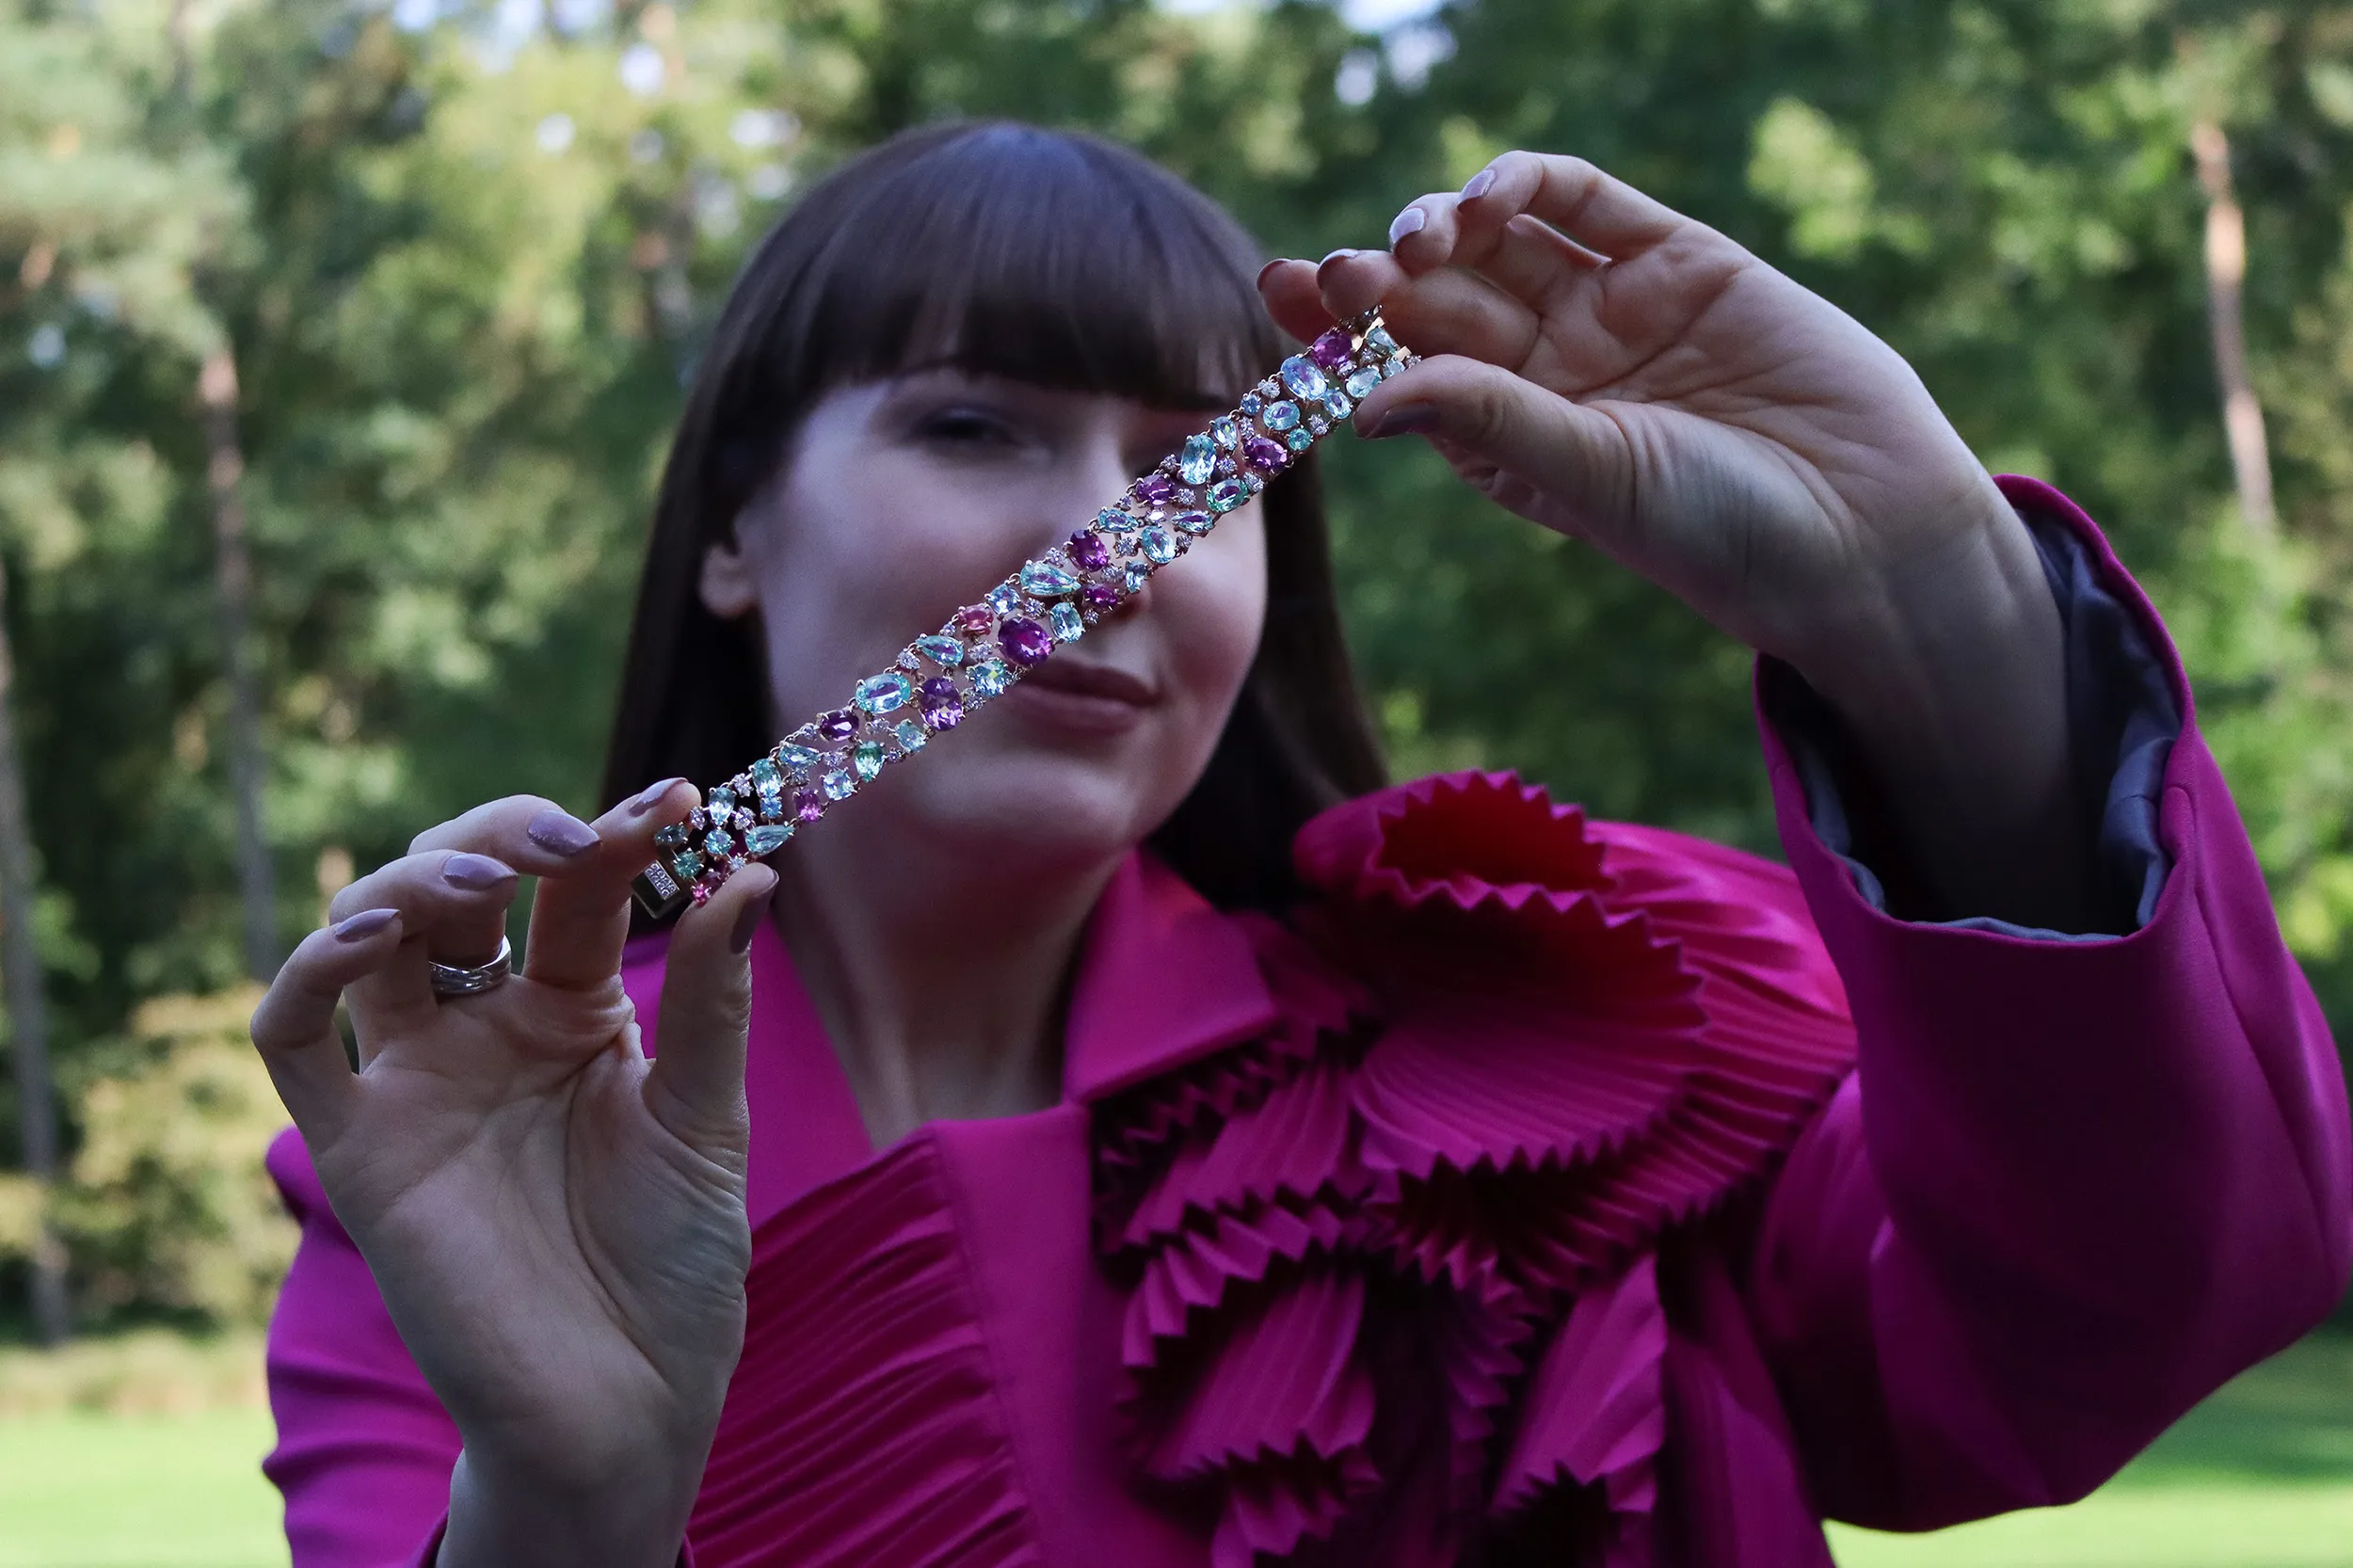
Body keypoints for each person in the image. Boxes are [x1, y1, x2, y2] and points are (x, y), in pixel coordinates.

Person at [247, 121, 2352, 1568]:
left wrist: (1934, 611)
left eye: (1193, 469)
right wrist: (563, 1510)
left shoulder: (1572, 1025)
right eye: (975, 424)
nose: (1102, 547)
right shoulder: (458, 1161)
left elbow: (2139, 1295)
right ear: (728, 528)